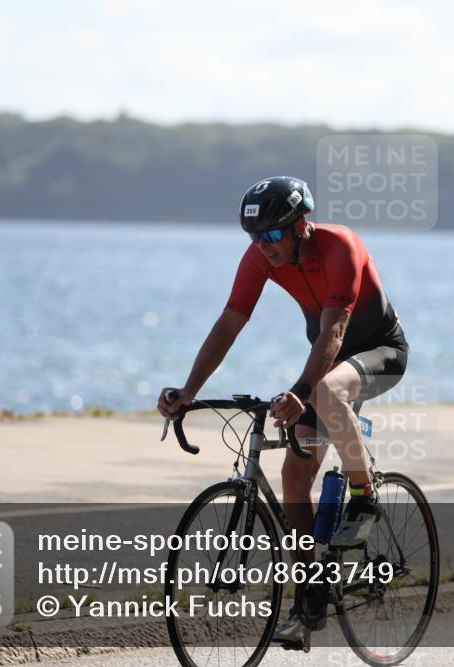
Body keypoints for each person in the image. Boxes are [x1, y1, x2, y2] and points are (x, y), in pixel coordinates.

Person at [158, 175, 408, 642]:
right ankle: (310, 595)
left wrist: (300, 388)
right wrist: (189, 390)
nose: (263, 246)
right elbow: (230, 321)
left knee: (326, 394)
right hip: (325, 364)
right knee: (295, 474)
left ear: (300, 226)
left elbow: (334, 334)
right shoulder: (259, 258)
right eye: (254, 236)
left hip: (379, 352)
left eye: (272, 234)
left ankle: (364, 492)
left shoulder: (340, 247)